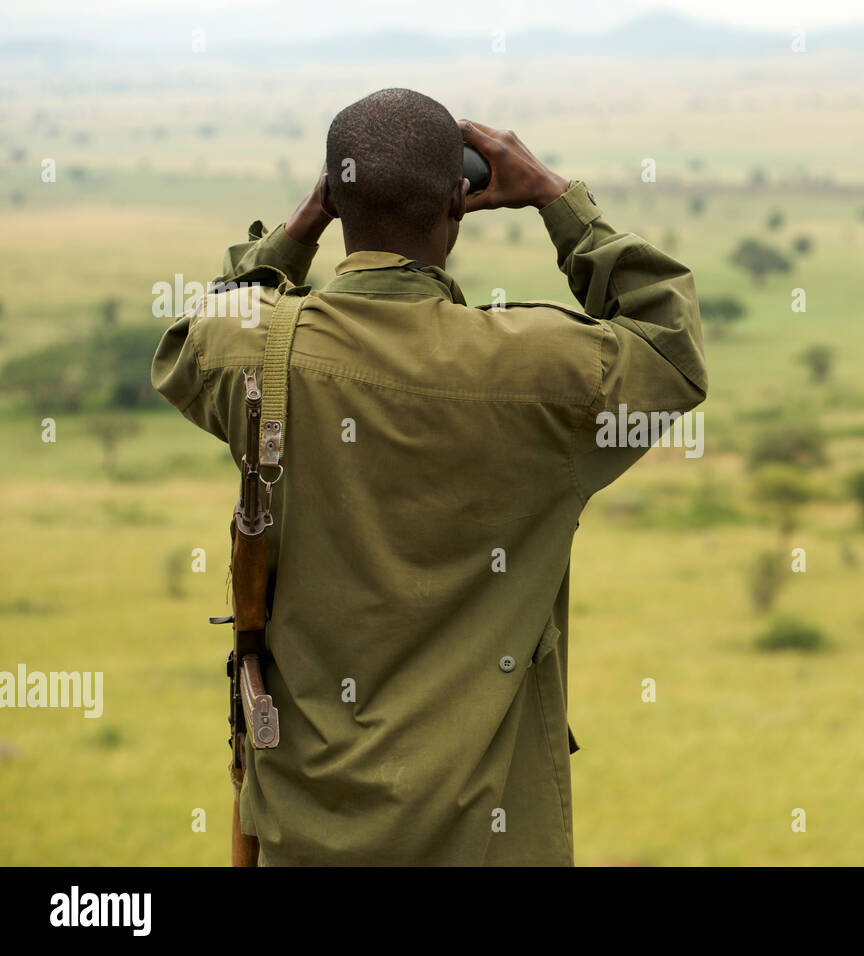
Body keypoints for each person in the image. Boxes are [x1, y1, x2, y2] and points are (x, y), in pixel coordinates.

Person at [151, 88, 707, 865]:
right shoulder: (541, 368)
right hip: (489, 834)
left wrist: (304, 225)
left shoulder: (255, 353)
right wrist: (557, 200)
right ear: (460, 199)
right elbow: (670, 348)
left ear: (336, 199)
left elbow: (191, 335)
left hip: (305, 829)